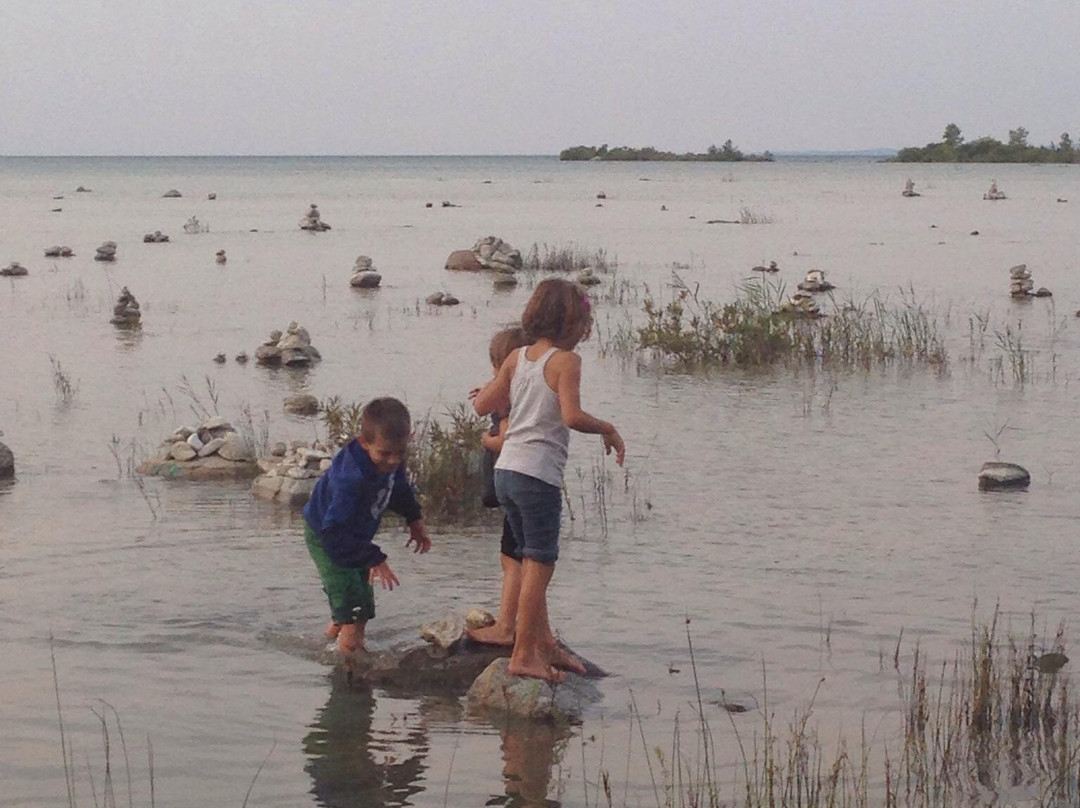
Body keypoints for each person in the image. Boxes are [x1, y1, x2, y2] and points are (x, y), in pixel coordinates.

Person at [472, 279, 625, 682]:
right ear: (575, 323)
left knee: (527, 559)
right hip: (537, 474)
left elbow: (482, 405)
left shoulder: (518, 356)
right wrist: (607, 427)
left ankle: (544, 642)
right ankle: (524, 654)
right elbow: (572, 417)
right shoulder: (566, 362)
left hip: (506, 471)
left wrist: (505, 399)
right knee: (539, 564)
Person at [302, 397, 432, 656]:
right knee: (354, 606)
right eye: (385, 454)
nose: (394, 461)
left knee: (359, 602)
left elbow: (399, 487)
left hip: (355, 537)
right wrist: (374, 558)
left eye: (401, 452)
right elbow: (334, 534)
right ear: (364, 442)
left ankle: (326, 643)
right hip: (328, 536)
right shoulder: (351, 479)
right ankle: (349, 666)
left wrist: (414, 519)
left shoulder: (389, 459)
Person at [471, 325, 530, 645]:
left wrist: (487, 440)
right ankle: (518, 623)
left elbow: (505, 439)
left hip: (508, 476)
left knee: (513, 559)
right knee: (521, 556)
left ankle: (508, 625)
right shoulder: (525, 396)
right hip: (521, 481)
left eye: (497, 369)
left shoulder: (511, 407)